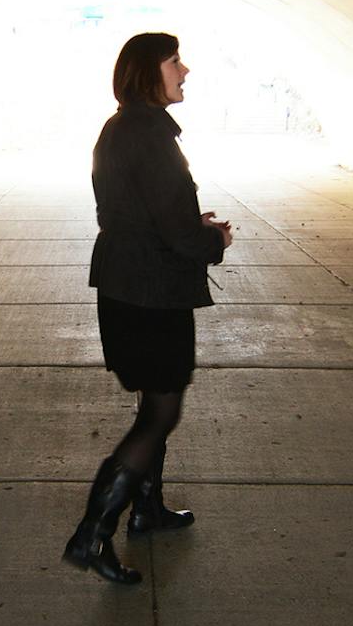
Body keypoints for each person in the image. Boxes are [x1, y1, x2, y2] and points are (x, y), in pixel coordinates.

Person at [62, 31, 234, 585]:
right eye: (175, 62)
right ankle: (92, 535)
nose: (185, 71)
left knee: (153, 407)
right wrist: (214, 240)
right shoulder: (151, 134)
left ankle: (149, 509)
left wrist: (188, 225)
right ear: (148, 72)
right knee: (161, 413)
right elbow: (175, 232)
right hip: (151, 292)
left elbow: (142, 212)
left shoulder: (120, 128)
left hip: (125, 284)